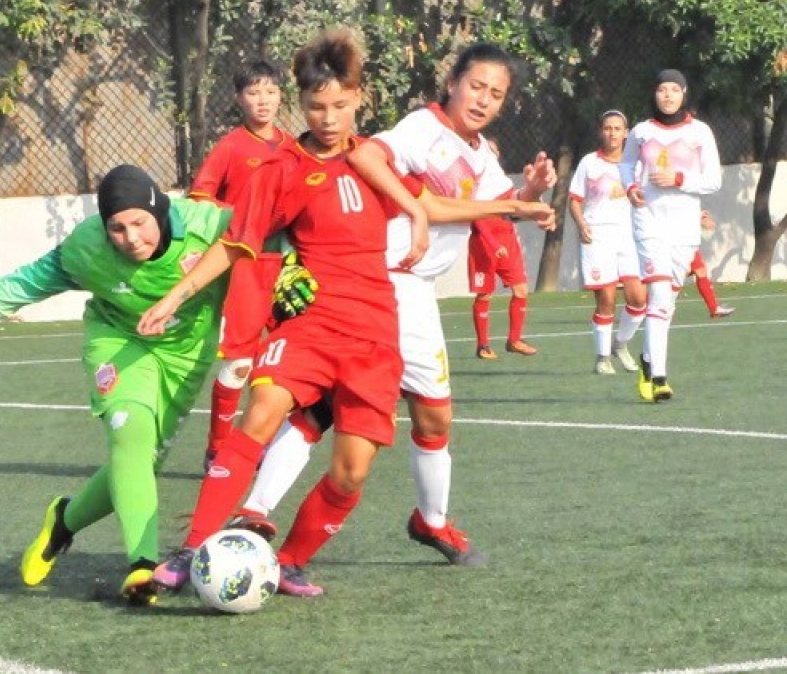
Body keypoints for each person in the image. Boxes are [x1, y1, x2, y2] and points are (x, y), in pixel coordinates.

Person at [231, 42, 558, 567]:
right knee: (325, 409)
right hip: (378, 280)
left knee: (430, 417)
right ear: (451, 83)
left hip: (415, 294)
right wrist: (427, 206)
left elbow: (490, 205)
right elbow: (366, 154)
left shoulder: (479, 154)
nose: (483, 99)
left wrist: (529, 191)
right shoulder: (421, 130)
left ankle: (427, 521)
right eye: (476, 86)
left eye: (496, 94)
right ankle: (256, 510)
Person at [138, 29, 430, 597]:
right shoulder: (281, 169)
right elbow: (237, 243)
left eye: (340, 105)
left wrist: (511, 204)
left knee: (352, 471)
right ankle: (194, 544)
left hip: (374, 334)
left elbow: (429, 202)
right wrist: (173, 297)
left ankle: (289, 561)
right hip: (312, 326)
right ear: (300, 104)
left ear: (359, 98)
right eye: (316, 106)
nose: (328, 117)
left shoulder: (377, 158)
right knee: (262, 411)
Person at [0, 165, 233, 607]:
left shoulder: (209, 225)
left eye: (140, 223)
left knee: (139, 464)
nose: (130, 238)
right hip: (118, 342)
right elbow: (24, 285)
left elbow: (279, 235)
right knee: (131, 429)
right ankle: (143, 567)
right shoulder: (87, 248)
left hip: (186, 356)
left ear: (161, 211)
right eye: (117, 228)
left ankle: (63, 522)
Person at [187, 58, 292, 470]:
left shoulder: (294, 146)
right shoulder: (230, 147)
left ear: (281, 95)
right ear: (238, 98)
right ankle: (218, 445)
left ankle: (260, 443)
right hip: (245, 265)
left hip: (290, 266)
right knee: (241, 363)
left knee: (285, 360)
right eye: (253, 92)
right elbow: (199, 198)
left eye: (269, 91)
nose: (262, 100)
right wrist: (238, 218)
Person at [620, 69, 723, 402]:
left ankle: (648, 359)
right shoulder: (641, 131)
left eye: (673, 90)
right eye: (661, 89)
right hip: (648, 222)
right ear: (655, 94)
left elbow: (713, 181)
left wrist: (679, 179)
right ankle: (660, 378)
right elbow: (625, 165)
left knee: (667, 301)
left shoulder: (699, 132)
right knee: (660, 294)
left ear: (684, 93)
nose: (667, 95)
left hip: (684, 226)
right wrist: (632, 186)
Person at [568, 110, 646, 375]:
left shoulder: (636, 165)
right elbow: (575, 200)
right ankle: (602, 358)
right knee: (607, 298)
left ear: (626, 133)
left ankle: (620, 344)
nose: (612, 133)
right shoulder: (589, 163)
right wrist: (581, 225)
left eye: (617, 128)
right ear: (601, 131)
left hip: (629, 237)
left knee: (639, 299)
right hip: (598, 237)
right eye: (607, 128)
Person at [467, 129, 550, 359]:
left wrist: (537, 205)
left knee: (521, 289)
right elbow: (478, 217)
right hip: (484, 242)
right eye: (485, 150)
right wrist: (493, 245)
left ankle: (514, 339)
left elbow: (517, 204)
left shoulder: (499, 182)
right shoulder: (473, 183)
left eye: (492, 150)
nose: (488, 154)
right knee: (484, 294)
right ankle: (483, 345)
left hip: (507, 238)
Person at [688, 210, 734, 318]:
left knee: (700, 271)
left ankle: (714, 308)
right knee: (672, 279)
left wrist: (699, 216)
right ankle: (653, 308)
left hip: (687, 245)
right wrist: (697, 217)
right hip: (678, 246)